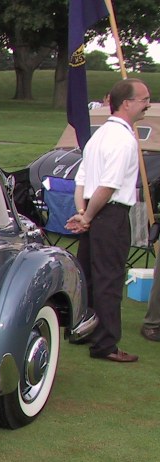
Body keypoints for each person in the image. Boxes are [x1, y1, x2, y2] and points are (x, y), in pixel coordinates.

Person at [65, 78, 152, 363]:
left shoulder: (98, 135)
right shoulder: (123, 139)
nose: (148, 105)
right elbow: (109, 184)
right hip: (109, 213)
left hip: (93, 208)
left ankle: (86, 330)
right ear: (126, 103)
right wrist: (88, 216)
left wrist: (82, 213)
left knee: (89, 276)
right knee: (109, 279)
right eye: (143, 100)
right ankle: (105, 344)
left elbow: (82, 180)